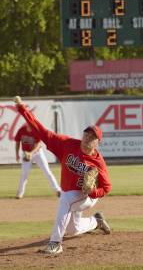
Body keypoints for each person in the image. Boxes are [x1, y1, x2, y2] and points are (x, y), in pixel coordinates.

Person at [14, 96, 112, 255]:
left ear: (97, 143)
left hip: (88, 196)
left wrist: (93, 192)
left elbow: (107, 187)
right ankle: (96, 221)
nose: (88, 138)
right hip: (71, 192)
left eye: (93, 137)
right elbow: (41, 130)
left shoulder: (97, 162)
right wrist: (22, 109)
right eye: (87, 134)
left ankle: (55, 243)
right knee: (74, 229)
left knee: (65, 200)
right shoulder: (67, 144)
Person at [15, 123, 61, 199]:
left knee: (47, 171)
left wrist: (31, 153)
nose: (29, 122)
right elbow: (17, 141)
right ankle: (20, 193)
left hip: (38, 153)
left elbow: (39, 144)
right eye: (28, 121)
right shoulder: (21, 130)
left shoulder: (36, 130)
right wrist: (17, 154)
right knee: (24, 174)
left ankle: (58, 190)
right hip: (26, 154)